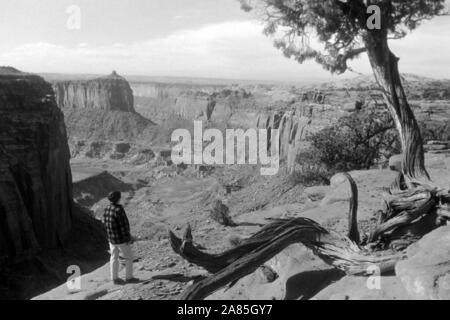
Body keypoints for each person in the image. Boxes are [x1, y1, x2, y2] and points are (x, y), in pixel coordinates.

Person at [102, 191, 138, 284]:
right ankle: (129, 277)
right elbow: (124, 226)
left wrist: (109, 236)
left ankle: (114, 278)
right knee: (129, 257)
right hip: (121, 239)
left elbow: (105, 224)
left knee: (114, 257)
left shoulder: (107, 208)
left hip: (111, 239)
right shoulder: (119, 209)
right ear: (118, 198)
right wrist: (127, 238)